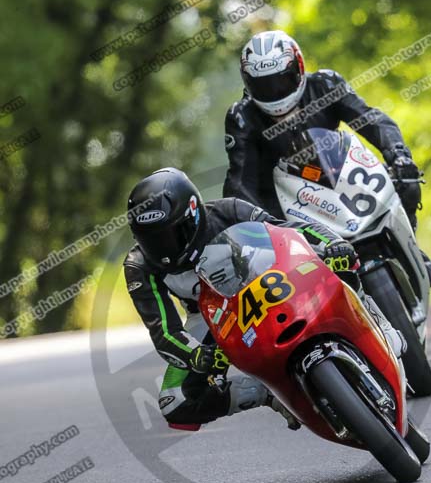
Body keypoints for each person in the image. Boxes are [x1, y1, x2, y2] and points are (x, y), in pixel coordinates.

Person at [124, 167, 405, 432]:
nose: (163, 250)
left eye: (171, 235)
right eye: (152, 240)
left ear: (193, 215)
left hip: (268, 277)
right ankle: (268, 394)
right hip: (209, 316)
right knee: (175, 402)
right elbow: (164, 332)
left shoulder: (229, 210)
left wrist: (332, 243)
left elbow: (288, 229)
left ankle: (381, 328)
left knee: (341, 262)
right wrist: (197, 355)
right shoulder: (138, 266)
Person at [223, 30, 431, 286]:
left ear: (298, 68)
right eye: (264, 85)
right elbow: (240, 178)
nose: (274, 93)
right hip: (282, 198)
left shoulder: (325, 84)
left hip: (339, 174)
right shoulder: (242, 116)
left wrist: (399, 156)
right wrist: (258, 222)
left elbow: (371, 120)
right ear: (248, 83)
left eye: (281, 81)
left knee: (407, 181)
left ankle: (412, 247)